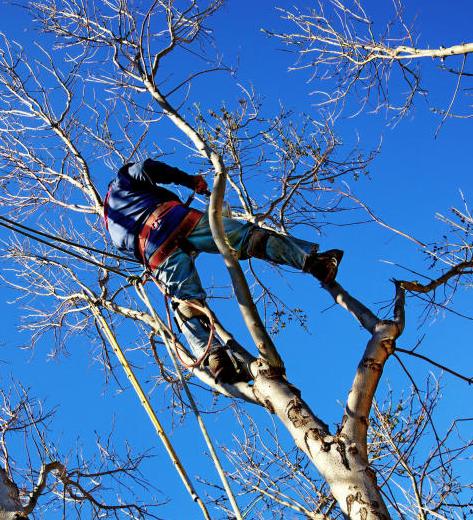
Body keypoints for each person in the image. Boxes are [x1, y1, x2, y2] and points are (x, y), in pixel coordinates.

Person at [103, 158, 343, 383]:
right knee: (248, 238)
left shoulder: (112, 227)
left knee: (186, 302)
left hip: (155, 252)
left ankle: (215, 358)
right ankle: (313, 262)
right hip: (173, 218)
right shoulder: (121, 180)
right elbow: (147, 167)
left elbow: (137, 252)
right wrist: (188, 180)